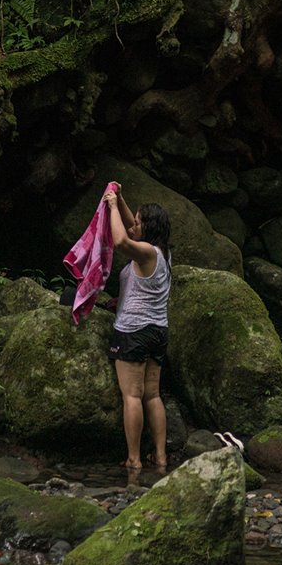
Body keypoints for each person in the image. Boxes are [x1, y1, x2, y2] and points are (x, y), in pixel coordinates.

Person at [103, 184, 171, 473]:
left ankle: (134, 459)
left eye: (140, 222)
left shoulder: (144, 253)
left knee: (132, 395)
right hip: (157, 331)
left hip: (134, 331)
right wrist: (122, 198)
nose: (134, 224)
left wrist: (112, 207)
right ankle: (161, 455)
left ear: (149, 229)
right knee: (152, 395)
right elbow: (130, 227)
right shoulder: (163, 253)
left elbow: (120, 239)